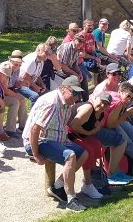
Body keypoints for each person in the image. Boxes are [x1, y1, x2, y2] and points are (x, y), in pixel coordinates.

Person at [22, 76, 89, 212]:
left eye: (78, 93)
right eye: (73, 92)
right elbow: (34, 130)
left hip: (55, 139)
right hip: (39, 141)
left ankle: (57, 186)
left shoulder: (66, 102)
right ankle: (71, 200)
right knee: (70, 155)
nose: (76, 97)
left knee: (83, 153)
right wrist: (36, 155)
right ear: (63, 89)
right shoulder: (52, 103)